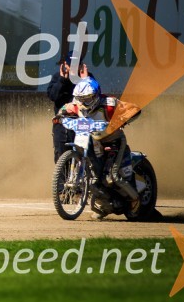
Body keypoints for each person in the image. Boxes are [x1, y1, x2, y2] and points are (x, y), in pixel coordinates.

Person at [58, 78, 140, 218]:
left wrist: (122, 120)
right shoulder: (76, 104)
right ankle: (104, 204)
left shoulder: (110, 103)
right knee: (95, 175)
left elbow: (135, 110)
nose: (83, 103)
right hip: (92, 140)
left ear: (95, 96)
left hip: (113, 141)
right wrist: (59, 116)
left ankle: (134, 199)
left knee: (111, 176)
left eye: (87, 99)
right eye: (80, 99)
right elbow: (63, 109)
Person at [46, 51, 93, 162]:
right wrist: (62, 80)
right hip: (62, 124)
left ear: (81, 65)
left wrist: (85, 80)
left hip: (82, 123)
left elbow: (95, 97)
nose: (73, 68)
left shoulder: (88, 78)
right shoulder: (57, 77)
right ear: (65, 65)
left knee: (87, 157)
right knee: (61, 158)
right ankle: (62, 179)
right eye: (70, 65)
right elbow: (52, 96)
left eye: (76, 65)